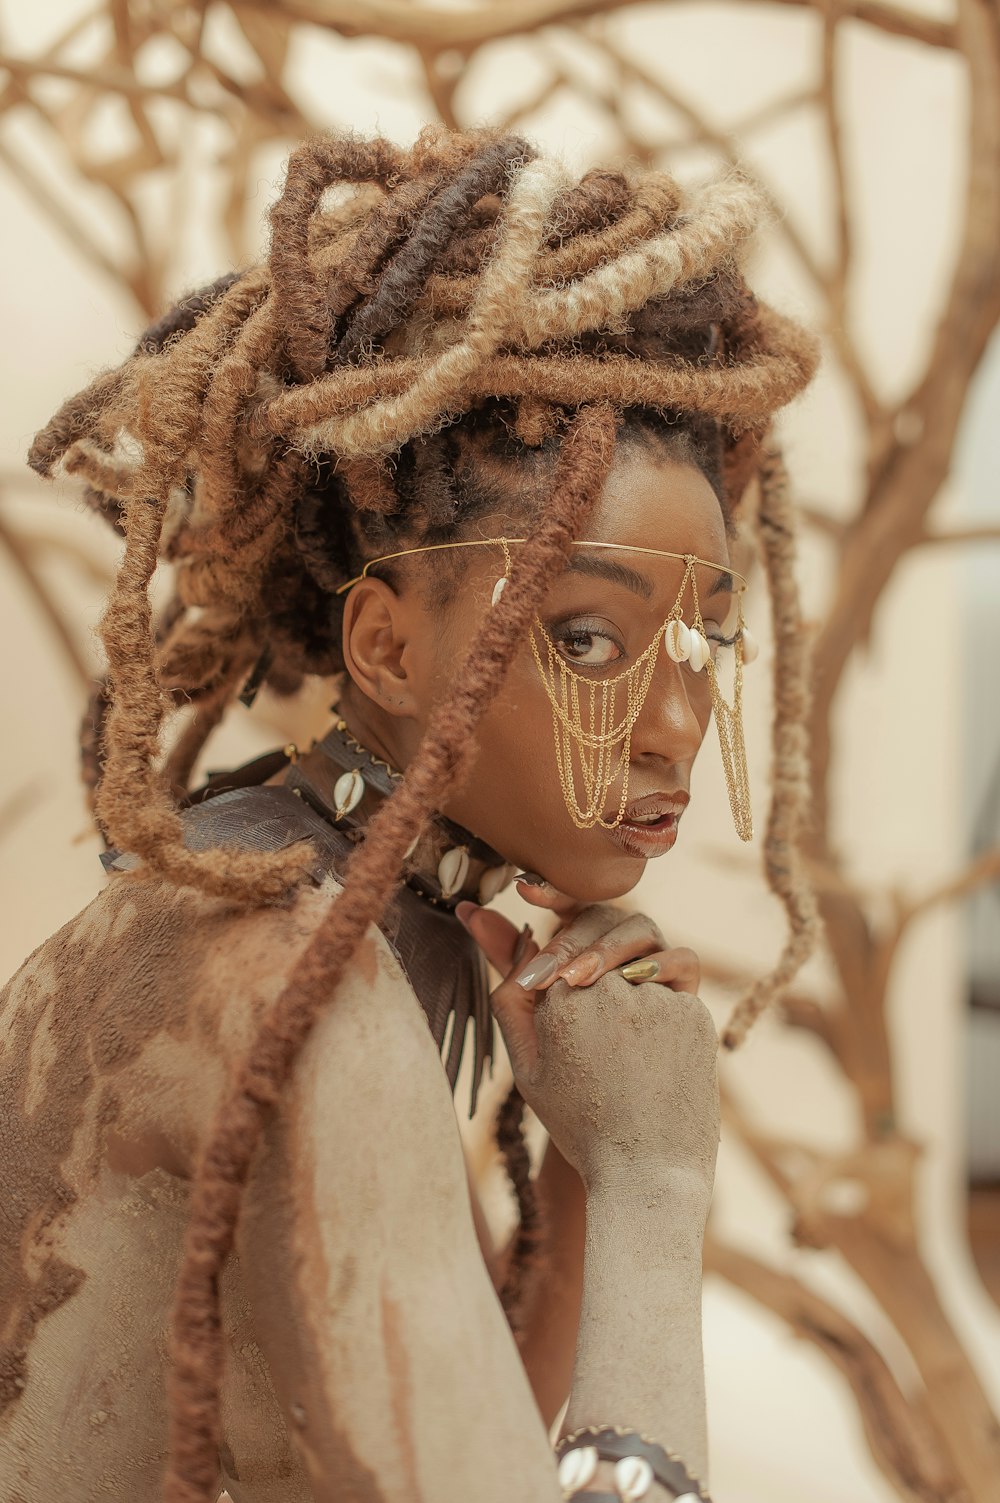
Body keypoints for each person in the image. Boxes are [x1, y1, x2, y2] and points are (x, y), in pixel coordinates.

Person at [0, 127, 819, 1503]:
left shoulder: (338, 883)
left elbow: (479, 1428)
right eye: (590, 641)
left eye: (703, 646)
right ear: (384, 648)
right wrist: (655, 1197)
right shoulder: (290, 976)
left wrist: (584, 1160)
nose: (676, 730)